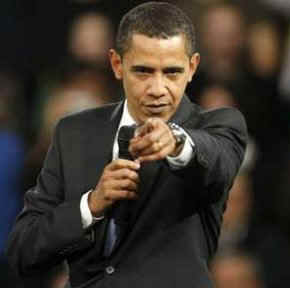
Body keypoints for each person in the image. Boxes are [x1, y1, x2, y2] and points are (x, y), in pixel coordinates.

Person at [6, 2, 247, 288]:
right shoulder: (73, 132)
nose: (157, 89)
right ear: (117, 64)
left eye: (171, 72)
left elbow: (218, 161)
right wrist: (90, 206)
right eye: (143, 71)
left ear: (192, 67)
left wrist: (178, 142)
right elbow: (24, 251)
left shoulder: (218, 125)